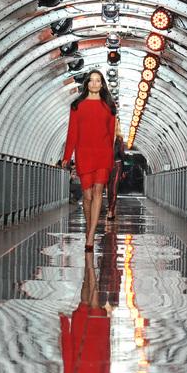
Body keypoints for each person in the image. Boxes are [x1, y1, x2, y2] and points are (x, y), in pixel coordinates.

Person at [61, 70, 117, 251]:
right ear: (87, 84)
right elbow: (72, 133)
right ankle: (89, 227)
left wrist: (110, 155)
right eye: (91, 80)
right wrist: (67, 156)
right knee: (87, 196)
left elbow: (111, 136)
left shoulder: (109, 106)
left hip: (103, 154)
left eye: (98, 80)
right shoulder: (77, 106)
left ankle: (91, 235)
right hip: (84, 154)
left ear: (102, 84)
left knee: (98, 192)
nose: (94, 83)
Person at [59, 251, 111, 373]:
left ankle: (88, 273)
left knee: (84, 299)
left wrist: (64, 323)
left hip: (80, 333)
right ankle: (90, 268)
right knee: (94, 304)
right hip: (98, 334)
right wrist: (107, 325)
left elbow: (67, 352)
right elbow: (107, 357)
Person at [106, 131, 125, 221]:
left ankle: (110, 211)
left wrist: (123, 170)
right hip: (106, 166)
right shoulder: (104, 136)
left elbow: (122, 155)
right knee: (109, 189)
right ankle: (110, 208)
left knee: (114, 188)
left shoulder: (119, 139)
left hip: (117, 165)